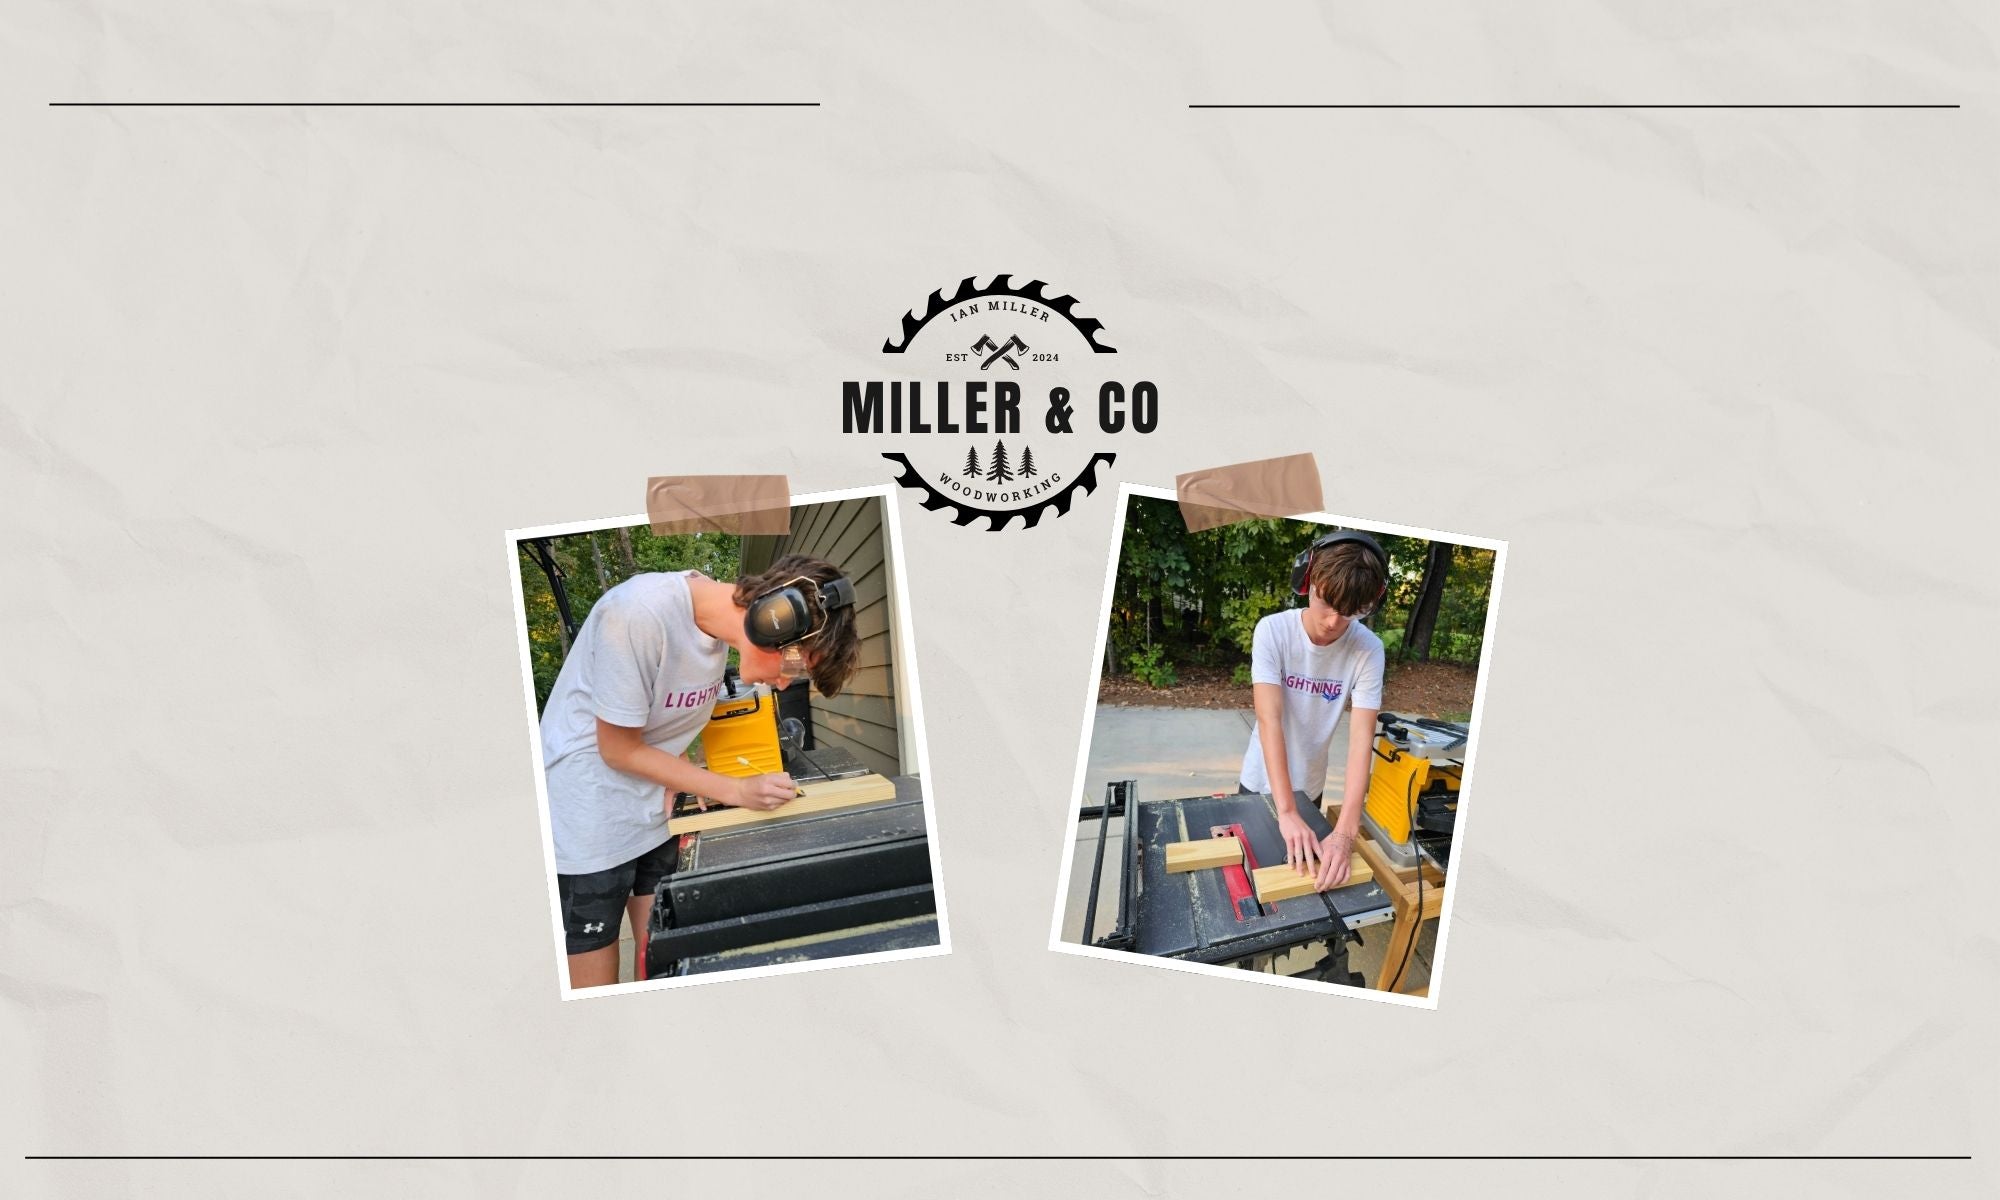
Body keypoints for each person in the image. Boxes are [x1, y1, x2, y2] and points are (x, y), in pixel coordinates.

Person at [538, 554, 860, 988]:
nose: (786, 682)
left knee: (660, 949)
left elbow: (659, 713)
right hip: (590, 810)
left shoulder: (711, 632)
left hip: (652, 803)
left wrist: (681, 771)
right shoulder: (638, 613)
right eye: (796, 665)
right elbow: (616, 749)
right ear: (773, 621)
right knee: (597, 975)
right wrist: (736, 789)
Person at [1239, 531, 1389, 892]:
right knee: (1247, 879)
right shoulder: (1273, 631)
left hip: (1311, 785)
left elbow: (1360, 740)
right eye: (1327, 602)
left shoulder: (1368, 650)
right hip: (1259, 779)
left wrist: (1346, 833)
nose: (1334, 621)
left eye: (1352, 612)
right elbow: (1269, 718)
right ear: (1308, 580)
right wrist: (1286, 811)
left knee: (1299, 881)